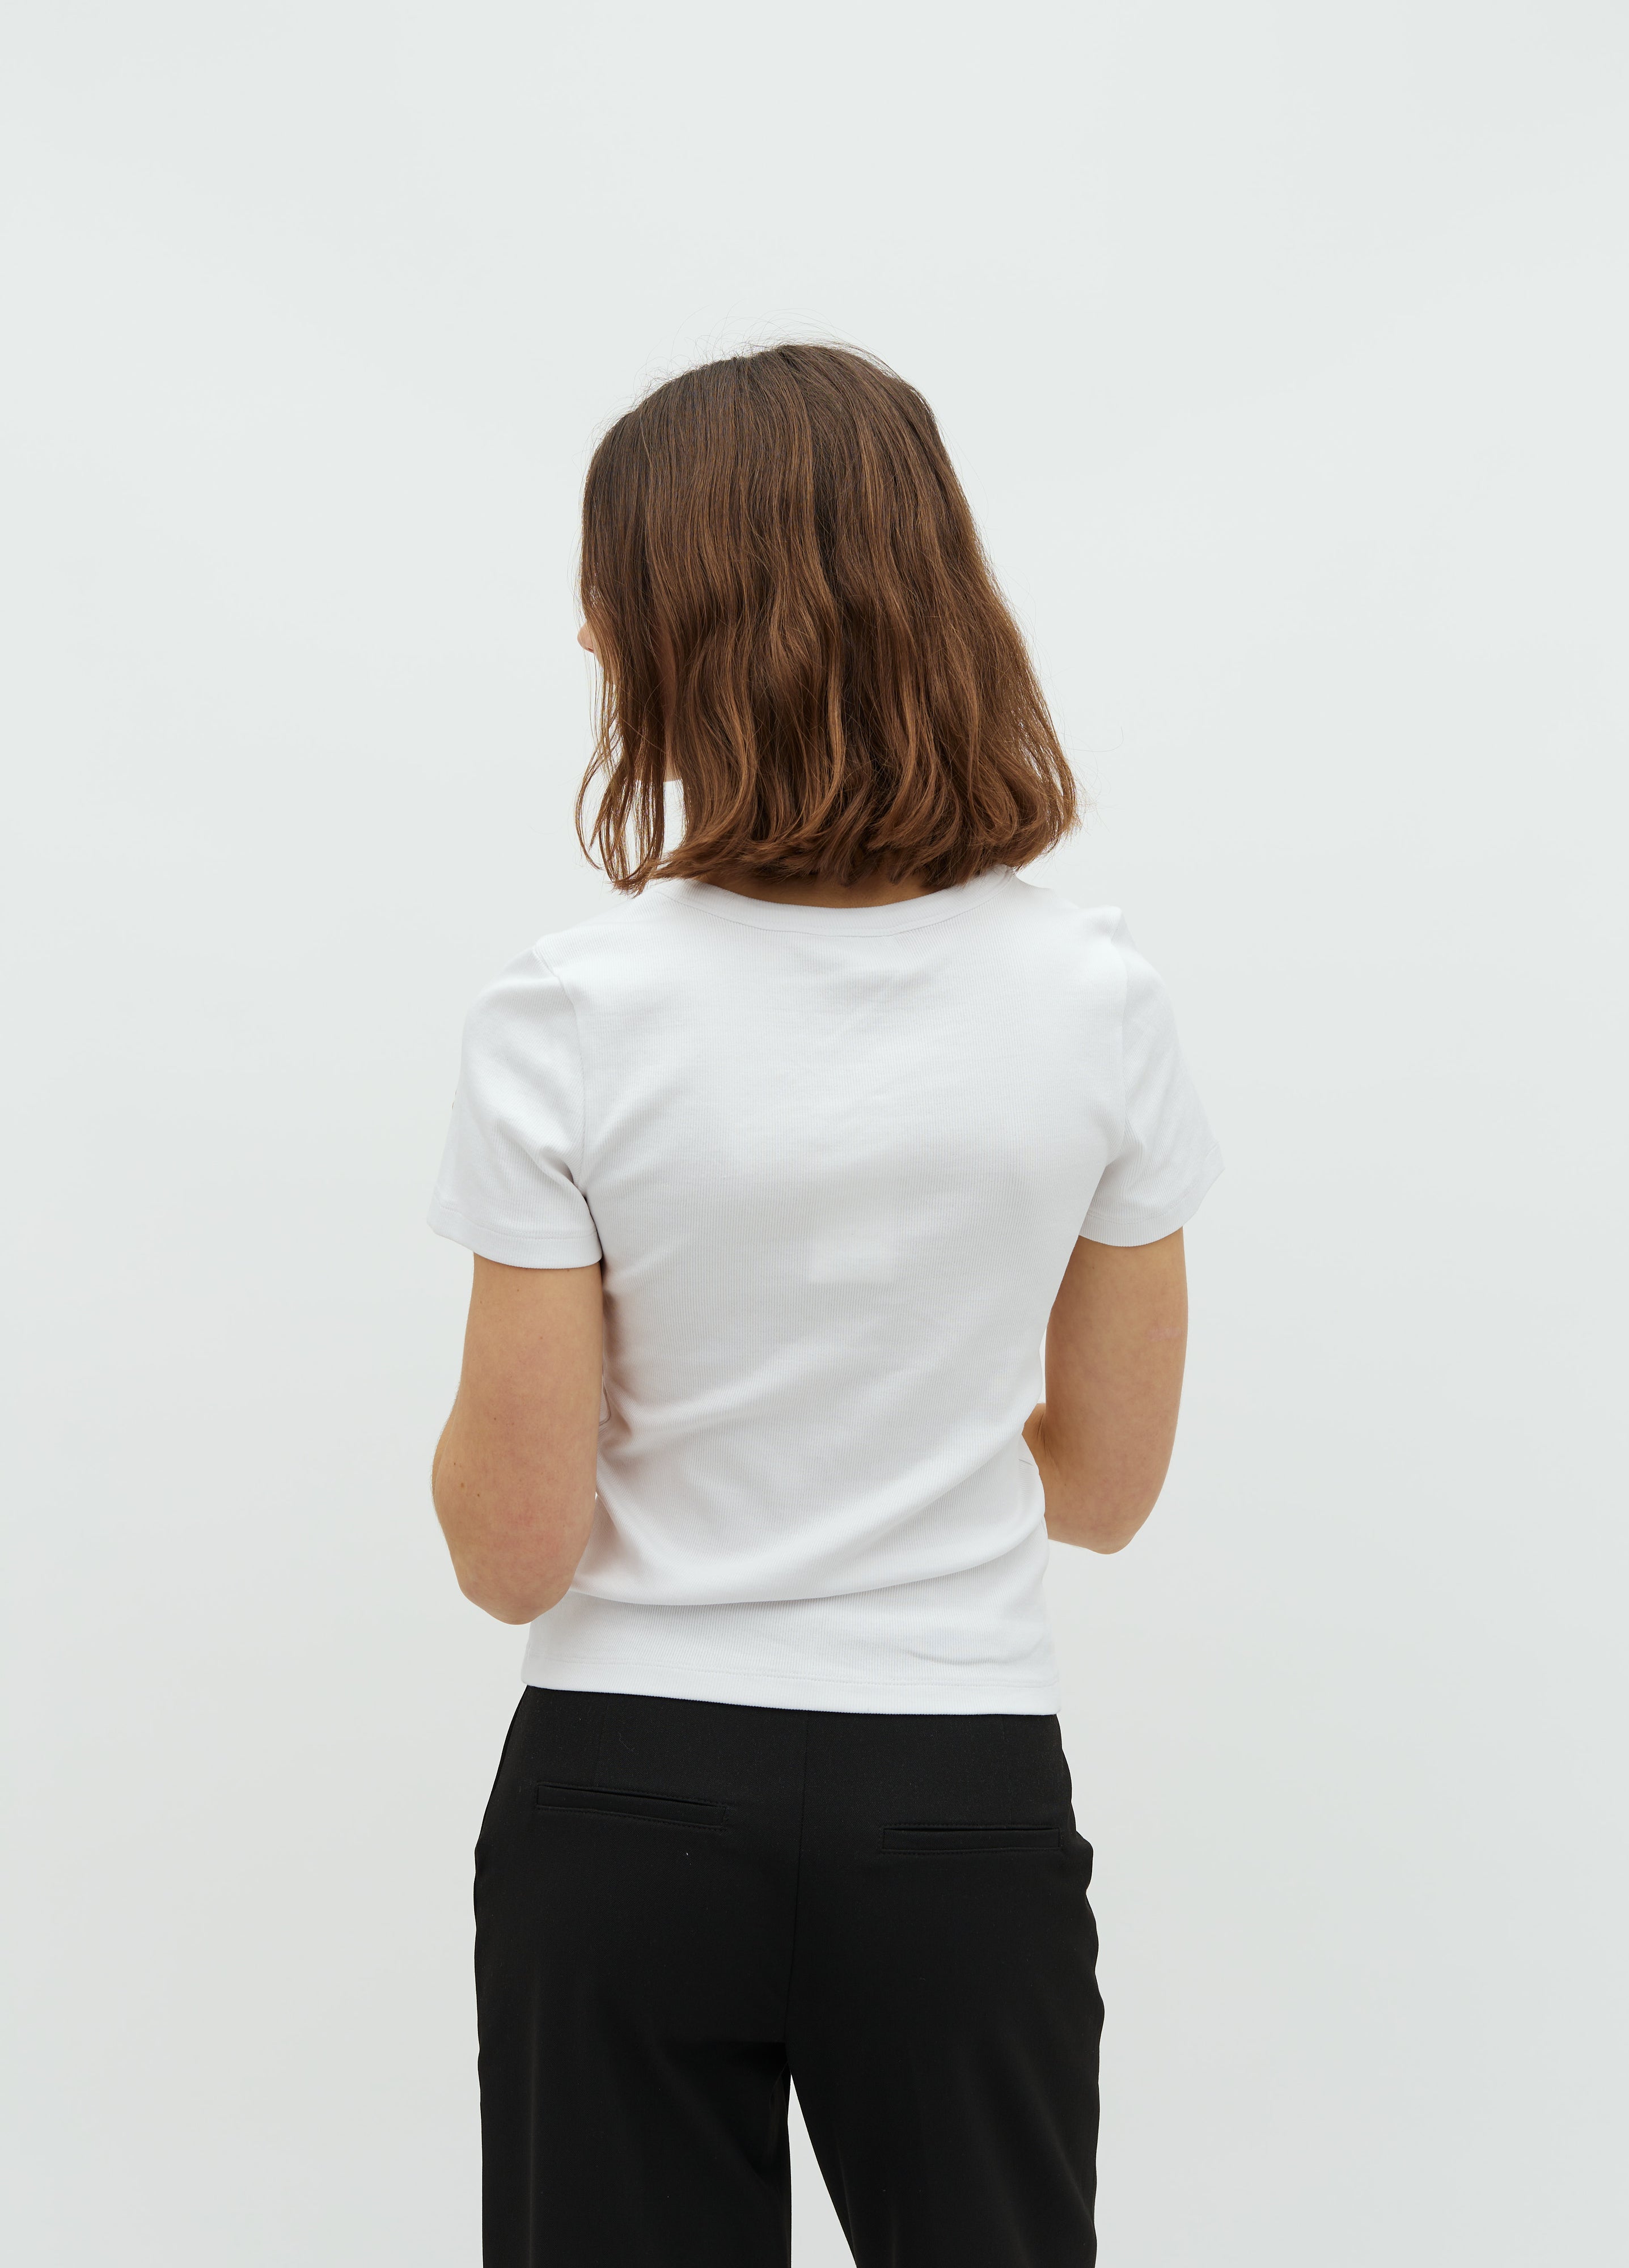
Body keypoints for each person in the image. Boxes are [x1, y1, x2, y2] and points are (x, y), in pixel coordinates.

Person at [427, 342, 1222, 2267]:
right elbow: (1107, 1490)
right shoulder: (1100, 1007)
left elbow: (514, 1548)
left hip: (625, 1800)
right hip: (956, 1802)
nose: (588, 638)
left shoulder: (567, 1017)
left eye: (610, 597)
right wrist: (906, 1429)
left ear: (677, 633)